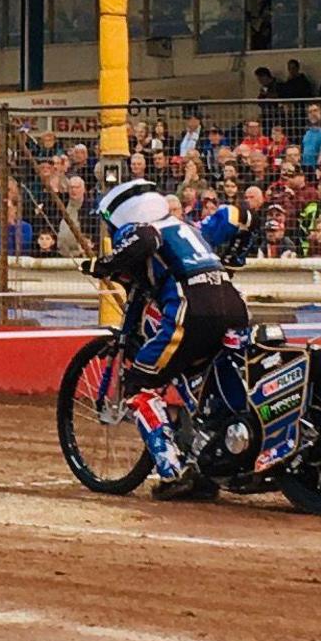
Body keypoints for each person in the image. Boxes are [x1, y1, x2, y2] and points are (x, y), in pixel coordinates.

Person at [82, 178, 252, 501]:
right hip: (235, 305)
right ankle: (216, 453)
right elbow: (237, 215)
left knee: (137, 385)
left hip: (191, 311)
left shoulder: (139, 229)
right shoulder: (187, 227)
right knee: (210, 379)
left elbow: (144, 241)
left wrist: (104, 265)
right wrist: (234, 258)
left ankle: (173, 471)